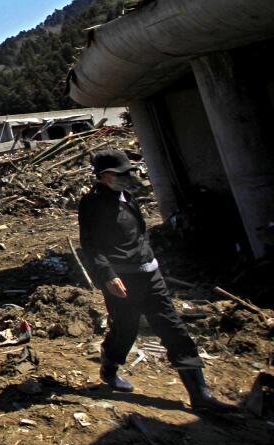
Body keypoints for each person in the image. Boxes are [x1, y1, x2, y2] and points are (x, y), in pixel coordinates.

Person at [78, 149, 231, 412]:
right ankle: (109, 364)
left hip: (149, 273)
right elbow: (90, 245)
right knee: (126, 329)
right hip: (122, 279)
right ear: (104, 176)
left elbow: (140, 232)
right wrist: (107, 276)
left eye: (129, 172)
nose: (129, 176)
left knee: (173, 327)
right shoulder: (92, 203)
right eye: (122, 173)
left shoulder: (127, 196)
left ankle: (199, 394)